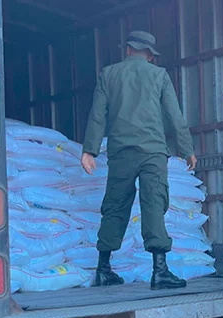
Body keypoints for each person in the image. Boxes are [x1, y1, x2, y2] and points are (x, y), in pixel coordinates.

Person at [81, 30, 197, 290]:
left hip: (121, 151)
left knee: (114, 204)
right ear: (150, 56)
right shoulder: (159, 75)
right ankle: (160, 272)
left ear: (128, 50)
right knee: (154, 204)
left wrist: (89, 150)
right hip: (152, 153)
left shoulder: (108, 74)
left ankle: (103, 269)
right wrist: (187, 148)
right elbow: (174, 116)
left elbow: (97, 115)